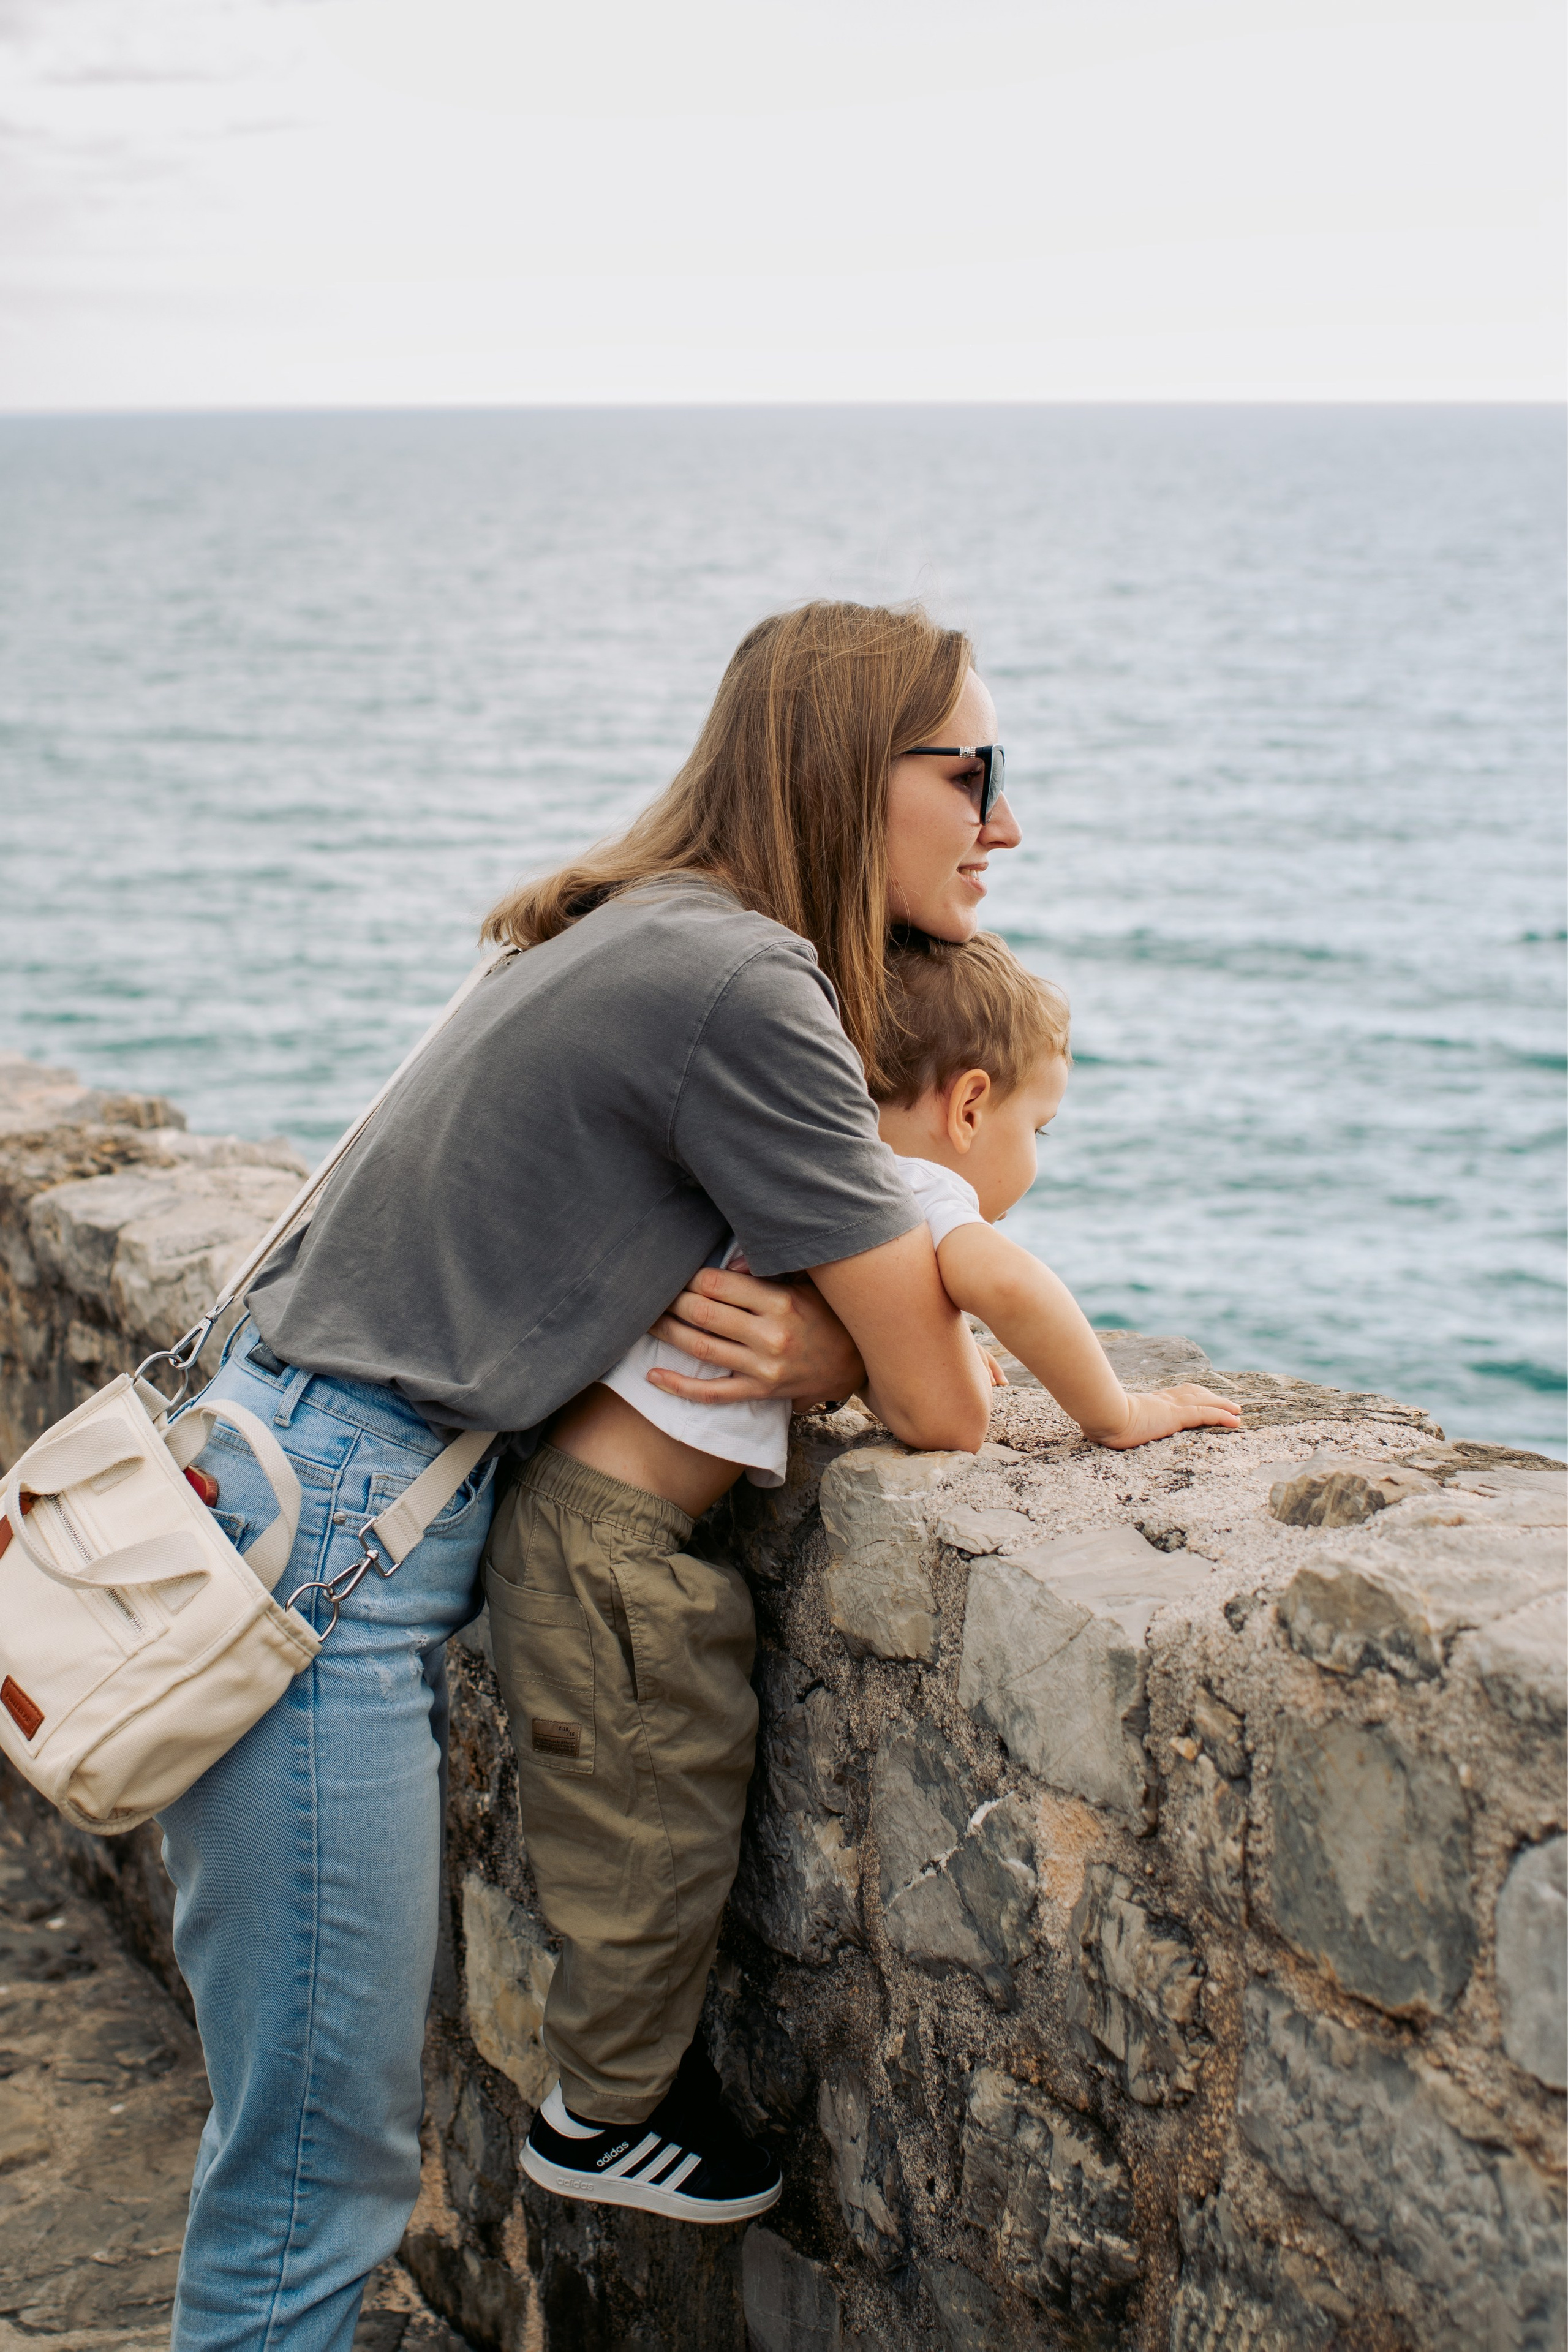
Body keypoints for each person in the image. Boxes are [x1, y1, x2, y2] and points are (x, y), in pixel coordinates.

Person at [159, 601, 1016, 2349]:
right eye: (975, 772)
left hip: (288, 1488)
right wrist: (841, 1352)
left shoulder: (641, 926)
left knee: (305, 2163)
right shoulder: (746, 980)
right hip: (328, 1542)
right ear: (858, 773)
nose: (1007, 825)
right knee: (312, 2189)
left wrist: (816, 1341)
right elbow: (944, 1403)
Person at [511, 933, 1239, 2221]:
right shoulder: (908, 1192)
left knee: (629, 1806)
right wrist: (1116, 1411)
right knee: (651, 1828)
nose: (1031, 1159)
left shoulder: (796, 1167)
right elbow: (994, 1292)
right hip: (609, 1547)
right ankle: (600, 2116)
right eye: (1038, 1125)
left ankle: (606, 2096)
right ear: (967, 1104)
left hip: (579, 1523)